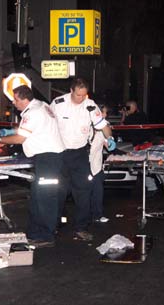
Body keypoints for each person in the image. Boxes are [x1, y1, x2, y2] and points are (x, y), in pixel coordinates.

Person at [0, 85, 65, 248]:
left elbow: (20, 139)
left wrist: (0, 140)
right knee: (37, 197)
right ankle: (35, 233)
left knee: (45, 197)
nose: (13, 103)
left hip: (48, 158)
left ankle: (46, 235)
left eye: (15, 99)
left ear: (24, 99)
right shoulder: (41, 105)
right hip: (48, 157)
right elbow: (29, 130)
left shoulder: (33, 112)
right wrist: (9, 132)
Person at [50, 78, 115, 241]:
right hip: (60, 152)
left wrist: (111, 138)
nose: (81, 98)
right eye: (78, 95)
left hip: (79, 154)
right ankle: (55, 224)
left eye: (84, 95)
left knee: (84, 191)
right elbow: (47, 124)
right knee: (58, 191)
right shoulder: (58, 104)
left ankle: (81, 227)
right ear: (71, 91)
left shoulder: (90, 105)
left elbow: (103, 125)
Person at [90, 105, 110, 223]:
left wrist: (111, 143)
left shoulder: (105, 126)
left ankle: (97, 215)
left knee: (97, 189)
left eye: (106, 113)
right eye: (103, 112)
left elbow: (107, 144)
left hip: (96, 163)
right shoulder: (86, 123)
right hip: (82, 161)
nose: (105, 115)